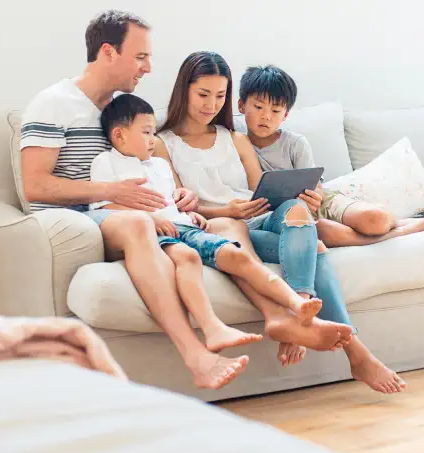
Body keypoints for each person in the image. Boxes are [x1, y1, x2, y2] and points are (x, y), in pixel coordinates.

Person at [18, 10, 249, 389]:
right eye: (141, 57)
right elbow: (36, 187)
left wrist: (178, 195)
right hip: (71, 218)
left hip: (121, 215)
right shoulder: (53, 104)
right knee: (140, 223)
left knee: (191, 237)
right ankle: (195, 356)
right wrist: (111, 193)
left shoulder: (123, 112)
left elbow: (149, 169)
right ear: (108, 52)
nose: (149, 68)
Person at [154, 51, 407, 394]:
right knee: (314, 246)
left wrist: (285, 200)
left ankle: (301, 305)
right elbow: (178, 208)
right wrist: (226, 211)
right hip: (221, 228)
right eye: (203, 94)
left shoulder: (235, 138)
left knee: (294, 208)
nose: (211, 104)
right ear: (184, 90)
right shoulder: (161, 144)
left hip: (259, 220)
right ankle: (356, 353)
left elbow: (264, 194)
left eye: (219, 96)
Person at [92, 94, 342, 372]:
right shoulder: (106, 162)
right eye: (146, 132)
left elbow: (171, 203)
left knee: (237, 255)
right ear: (119, 135)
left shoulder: (159, 166)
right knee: (188, 259)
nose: (152, 139)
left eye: (153, 132)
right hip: (162, 233)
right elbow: (105, 206)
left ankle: (296, 304)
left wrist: (190, 211)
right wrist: (151, 218)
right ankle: (217, 327)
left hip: (187, 226)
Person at [237, 65, 424, 248]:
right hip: (288, 218)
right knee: (322, 231)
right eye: (258, 107)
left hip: (323, 203)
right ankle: (396, 233)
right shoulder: (234, 145)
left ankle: (397, 223)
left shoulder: (295, 143)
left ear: (285, 115)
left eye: (275, 110)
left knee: (375, 220)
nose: (266, 116)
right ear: (241, 106)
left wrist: (314, 198)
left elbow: (316, 187)